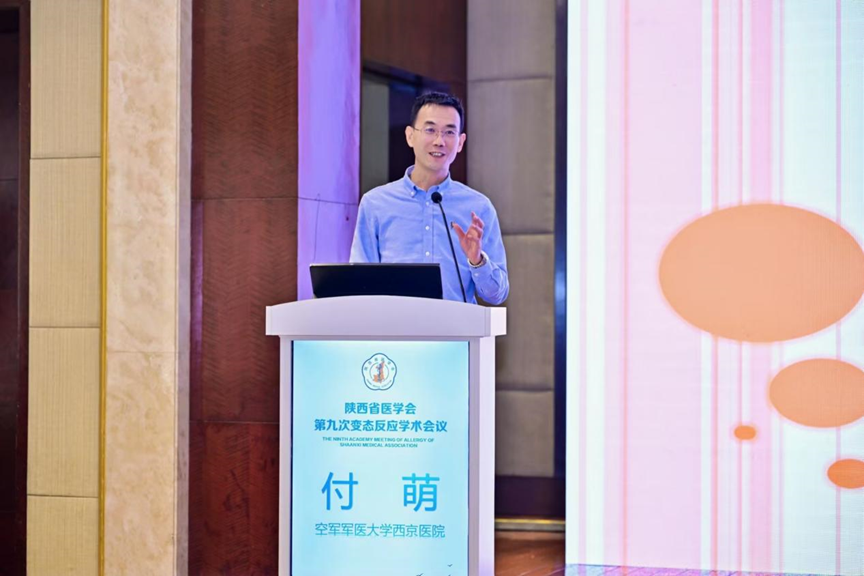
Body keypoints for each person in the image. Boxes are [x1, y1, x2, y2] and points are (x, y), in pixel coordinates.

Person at [350, 92, 509, 305]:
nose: (439, 141)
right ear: (410, 136)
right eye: (430, 130)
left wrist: (477, 260)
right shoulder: (375, 204)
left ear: (460, 142)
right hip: (394, 325)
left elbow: (497, 295)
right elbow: (359, 285)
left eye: (449, 132)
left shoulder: (479, 208)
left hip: (457, 326)